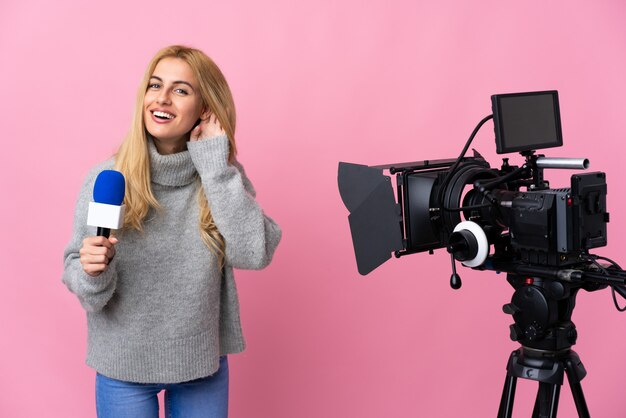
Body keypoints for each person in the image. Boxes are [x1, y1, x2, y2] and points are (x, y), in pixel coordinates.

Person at [62, 45, 282, 418]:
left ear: (206, 108)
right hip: (123, 365)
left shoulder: (221, 179)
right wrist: (92, 270)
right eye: (155, 85)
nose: (161, 98)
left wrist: (214, 165)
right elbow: (87, 290)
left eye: (181, 90)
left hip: (200, 365)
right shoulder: (109, 179)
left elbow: (254, 253)